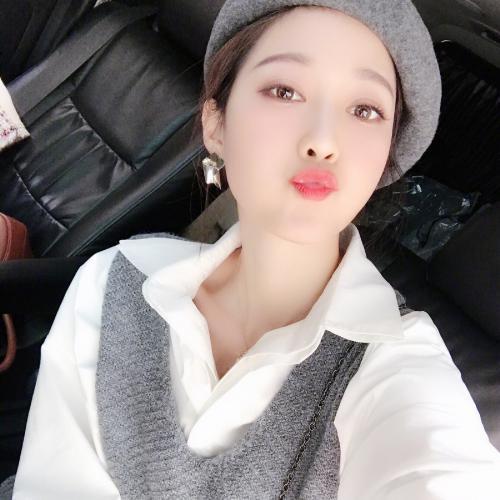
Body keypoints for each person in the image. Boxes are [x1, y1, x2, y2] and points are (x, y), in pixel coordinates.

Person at [2, 1, 500, 498]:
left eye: (364, 110)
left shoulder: (402, 374)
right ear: (216, 124)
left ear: (386, 159)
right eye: (285, 91)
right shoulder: (113, 279)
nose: (323, 140)